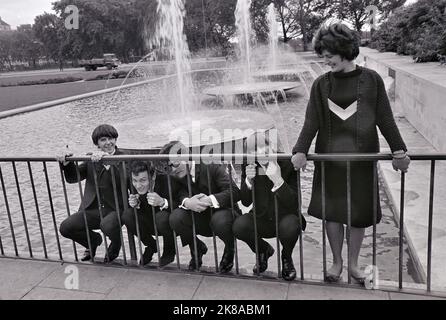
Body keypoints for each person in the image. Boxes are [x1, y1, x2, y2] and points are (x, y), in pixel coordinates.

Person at [291, 22, 410, 284]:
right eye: (322, 56)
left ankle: (354, 264)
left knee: (358, 215)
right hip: (330, 161)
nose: (325, 61)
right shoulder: (321, 85)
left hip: (361, 161)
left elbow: (386, 119)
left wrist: (399, 151)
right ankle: (337, 261)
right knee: (332, 213)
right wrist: (300, 150)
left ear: (344, 50)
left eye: (329, 55)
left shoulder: (371, 80)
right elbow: (311, 121)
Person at [233, 132, 306, 281]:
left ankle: (286, 258)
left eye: (264, 146)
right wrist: (248, 180)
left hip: (286, 218)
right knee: (239, 225)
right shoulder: (249, 165)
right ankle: (263, 251)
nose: (261, 152)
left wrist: (278, 181)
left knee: (291, 225)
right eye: (254, 150)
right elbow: (246, 202)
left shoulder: (287, 163)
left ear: (271, 146)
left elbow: (295, 204)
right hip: (262, 218)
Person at [160, 141, 241, 273]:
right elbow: (178, 194)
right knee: (175, 217)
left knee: (220, 220)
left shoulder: (211, 164)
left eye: (175, 164)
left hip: (224, 214)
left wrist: (208, 200)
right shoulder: (177, 173)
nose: (173, 169)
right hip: (201, 218)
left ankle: (230, 249)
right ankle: (196, 248)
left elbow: (235, 191)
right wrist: (187, 202)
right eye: (169, 166)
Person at [57, 124, 125, 263]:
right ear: (97, 144)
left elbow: (124, 181)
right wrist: (66, 163)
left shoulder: (123, 157)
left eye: (111, 138)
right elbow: (72, 178)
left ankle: (116, 244)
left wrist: (107, 162)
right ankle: (93, 242)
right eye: (103, 140)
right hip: (93, 209)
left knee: (106, 225)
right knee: (65, 228)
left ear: (116, 139)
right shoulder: (91, 159)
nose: (108, 143)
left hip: (116, 208)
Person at [122, 161, 177, 267]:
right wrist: (136, 204)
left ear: (153, 176)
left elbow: (181, 205)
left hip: (168, 223)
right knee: (127, 215)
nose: (138, 185)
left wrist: (162, 202)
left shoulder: (167, 181)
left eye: (143, 180)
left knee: (161, 217)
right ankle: (151, 246)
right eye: (135, 180)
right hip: (148, 221)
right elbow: (137, 203)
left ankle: (169, 251)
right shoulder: (132, 182)